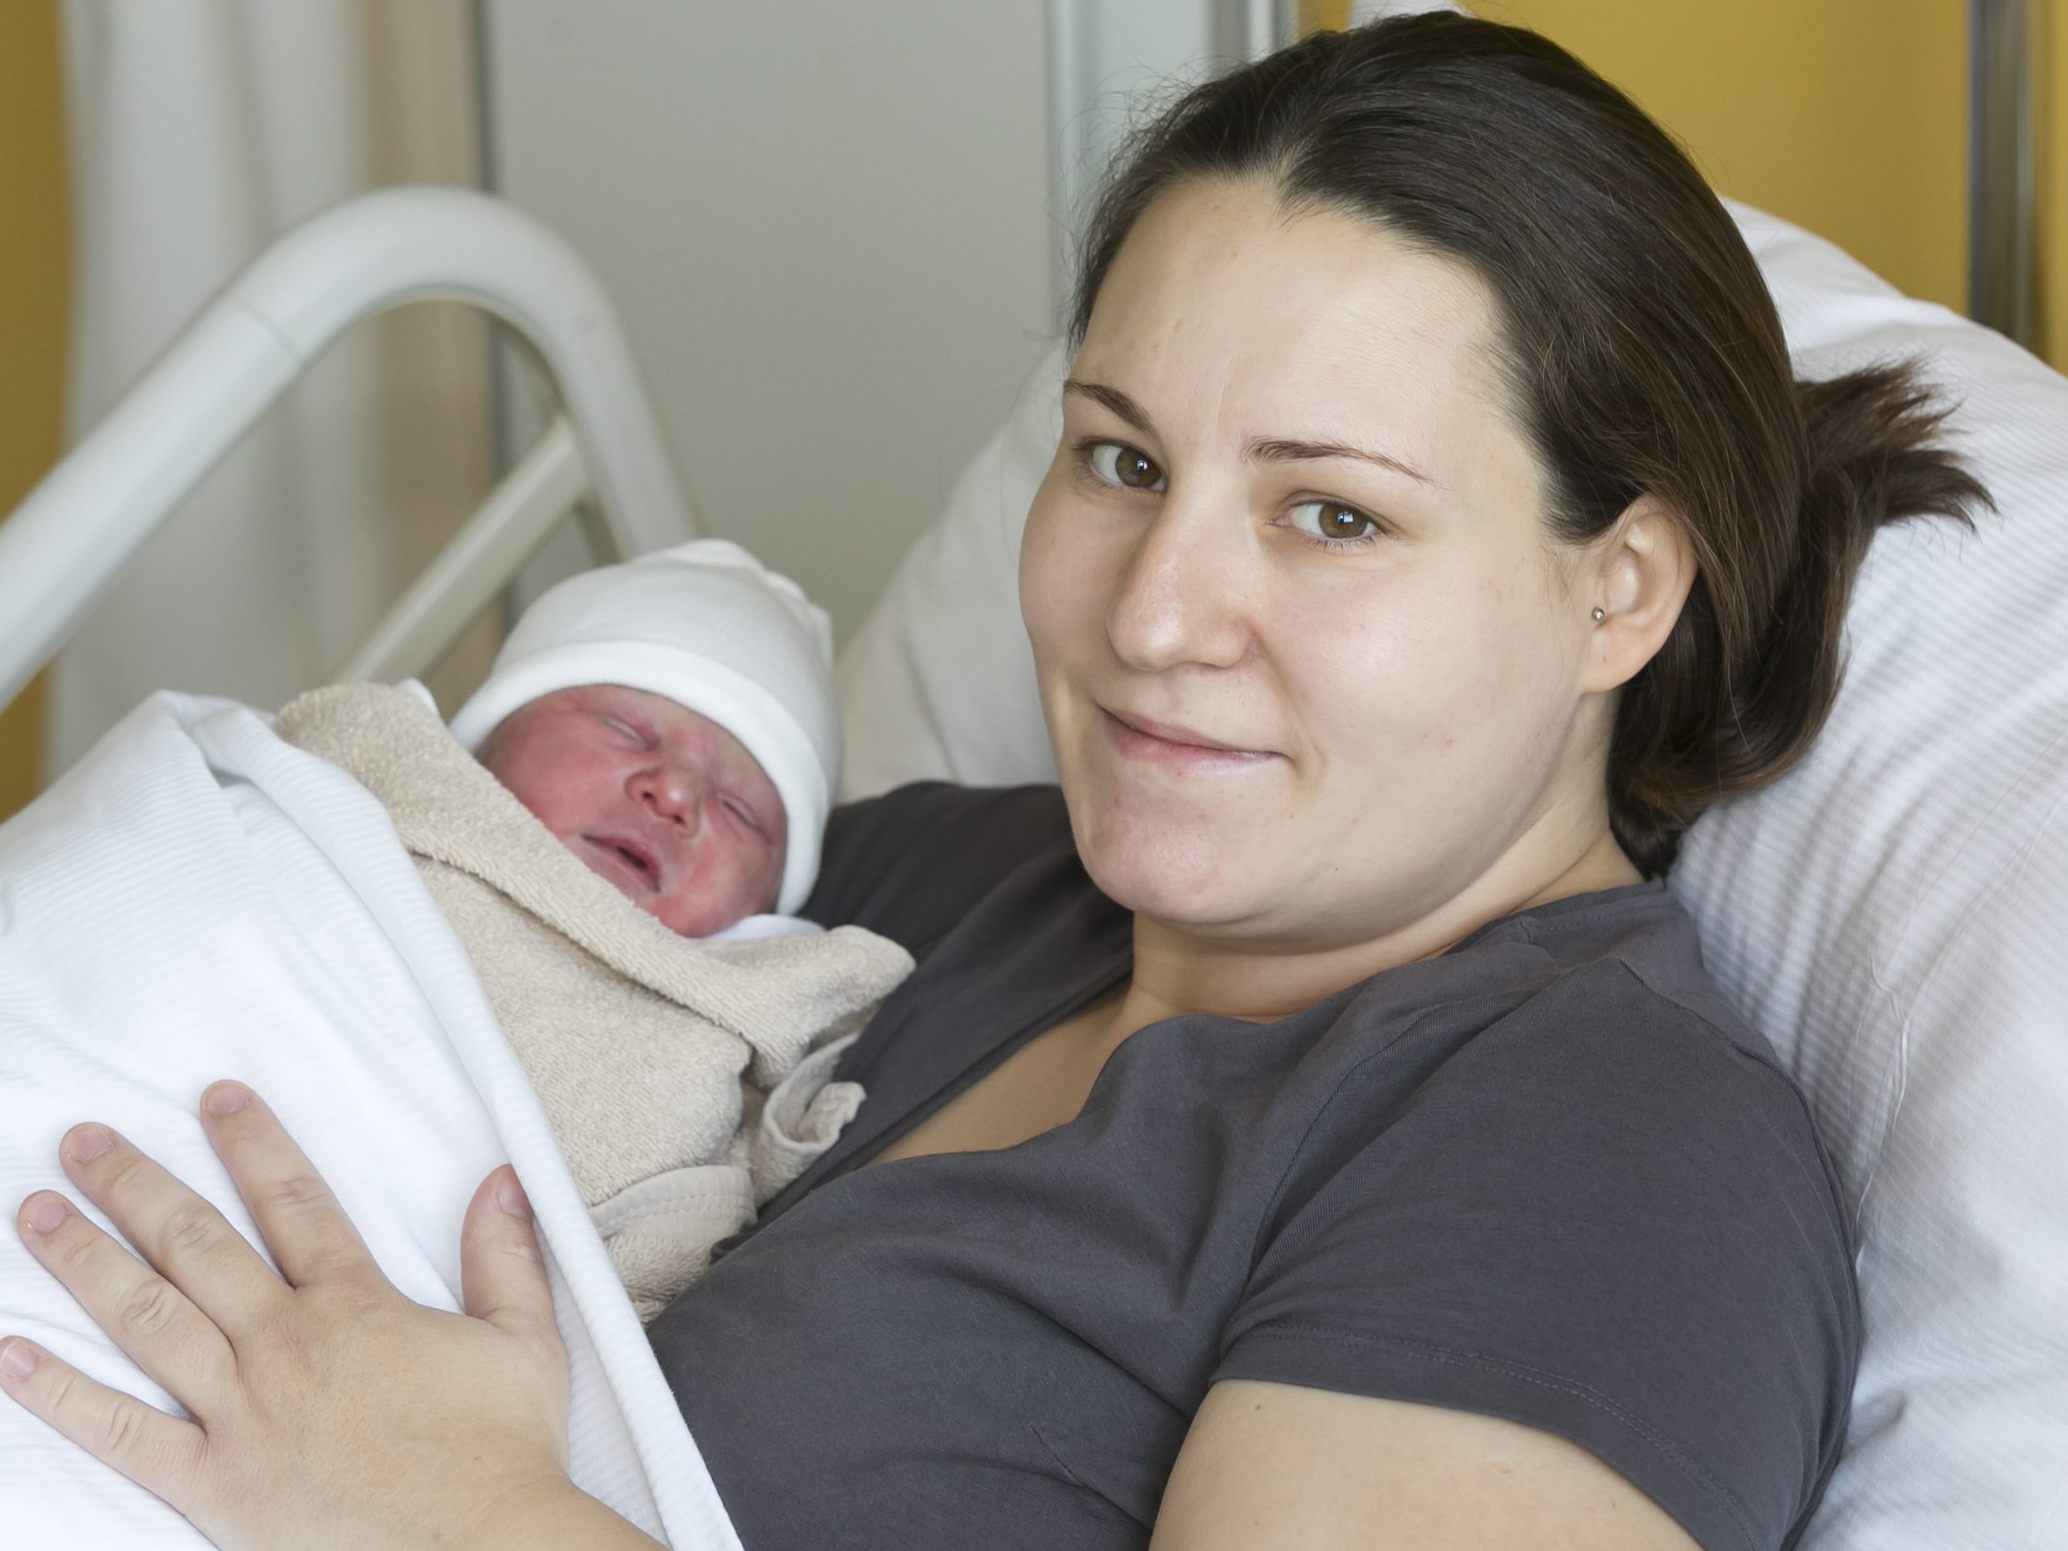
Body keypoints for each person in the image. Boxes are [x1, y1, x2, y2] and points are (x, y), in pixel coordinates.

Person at [0, 13, 1989, 1550]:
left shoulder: (1588, 1153)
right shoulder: (916, 882)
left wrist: (472, 1518)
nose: (1150, 613)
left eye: (1326, 515)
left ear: (1614, 587)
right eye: (1119, 459)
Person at [273, 538, 913, 1320]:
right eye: (625, 729)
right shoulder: (373, 795)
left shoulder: (731, 1016)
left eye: (742, 812)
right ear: (487, 740)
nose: (675, 791)